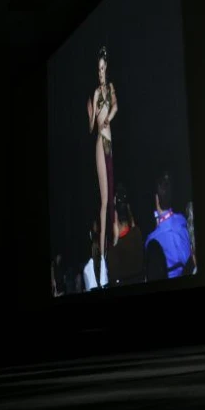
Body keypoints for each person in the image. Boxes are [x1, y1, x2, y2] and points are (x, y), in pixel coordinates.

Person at [87, 46, 118, 281]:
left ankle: (112, 250)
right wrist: (91, 114)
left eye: (102, 68)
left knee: (112, 198)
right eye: (98, 70)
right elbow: (91, 127)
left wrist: (107, 117)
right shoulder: (96, 94)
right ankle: (104, 260)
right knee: (105, 201)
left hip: (110, 144)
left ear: (106, 68)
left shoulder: (110, 88)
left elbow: (116, 106)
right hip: (100, 143)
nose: (100, 73)